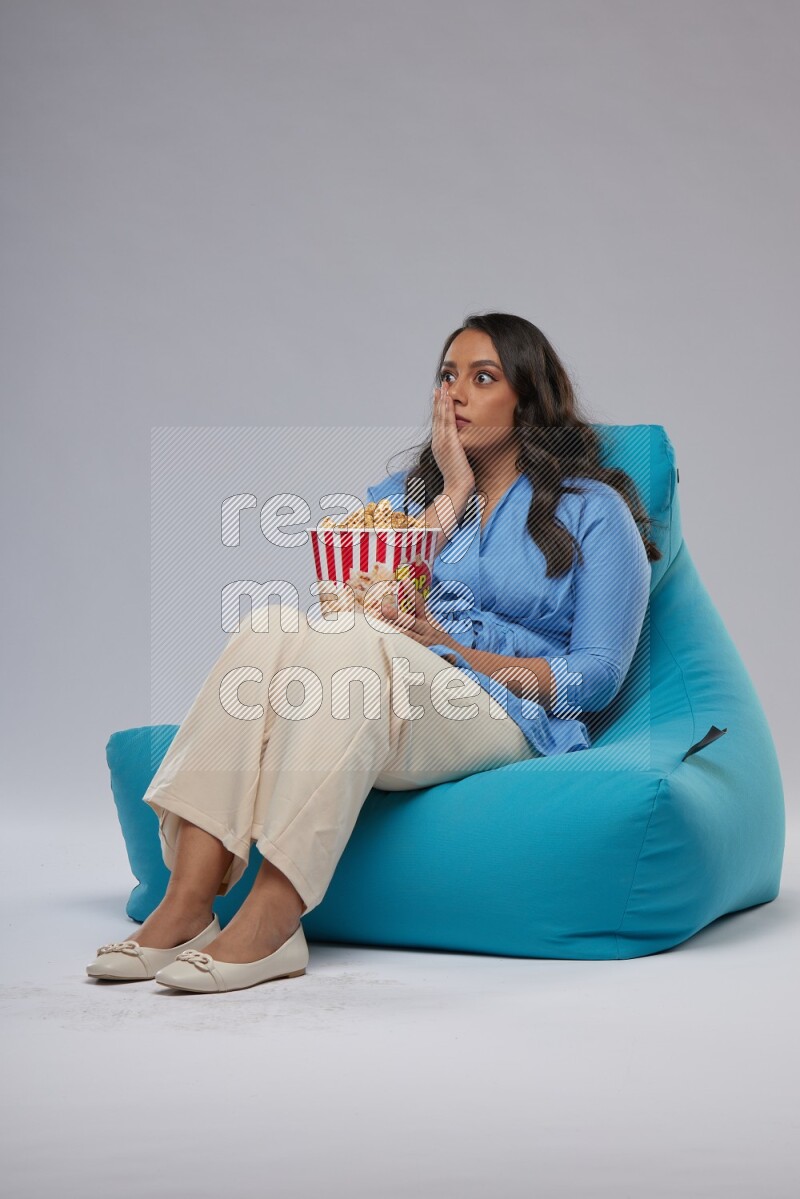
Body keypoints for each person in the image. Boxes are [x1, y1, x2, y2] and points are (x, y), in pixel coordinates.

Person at [85, 312, 659, 993]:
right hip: (380, 686)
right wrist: (454, 494)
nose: (456, 395)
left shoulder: (593, 510)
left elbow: (595, 678)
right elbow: (359, 601)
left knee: (354, 644)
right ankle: (185, 903)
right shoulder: (405, 502)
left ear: (527, 398)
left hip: (505, 712)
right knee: (270, 622)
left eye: (483, 377)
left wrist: (456, 650)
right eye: (448, 376)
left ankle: (275, 914)